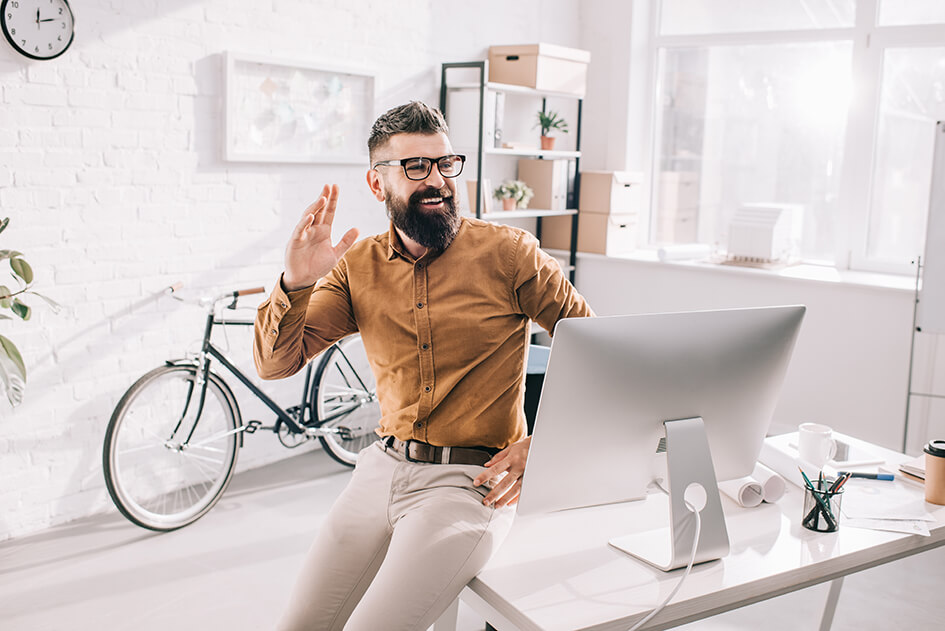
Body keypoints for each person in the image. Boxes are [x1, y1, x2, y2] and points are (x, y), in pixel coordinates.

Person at [253, 100, 593, 630]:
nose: (436, 180)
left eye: (444, 163)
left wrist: (543, 442)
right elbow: (277, 365)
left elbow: (598, 352)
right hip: (381, 468)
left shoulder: (510, 254)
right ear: (376, 183)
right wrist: (295, 283)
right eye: (415, 167)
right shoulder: (356, 267)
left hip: (470, 483)